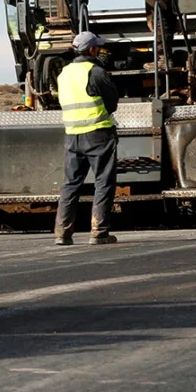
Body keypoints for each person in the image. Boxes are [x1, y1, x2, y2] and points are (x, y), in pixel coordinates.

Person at [54, 31, 120, 246]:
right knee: (103, 181)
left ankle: (62, 233)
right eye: (97, 48)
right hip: (98, 133)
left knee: (71, 184)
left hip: (72, 135)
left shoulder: (64, 73)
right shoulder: (95, 71)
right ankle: (99, 232)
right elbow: (112, 103)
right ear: (92, 50)